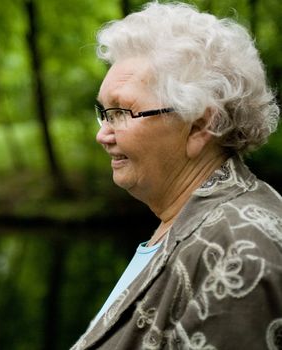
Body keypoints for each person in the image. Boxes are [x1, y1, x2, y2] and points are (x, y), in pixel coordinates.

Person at [72, 2, 282, 349]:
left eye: (122, 111)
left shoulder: (241, 250)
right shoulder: (182, 225)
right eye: (103, 112)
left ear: (200, 125)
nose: (102, 134)